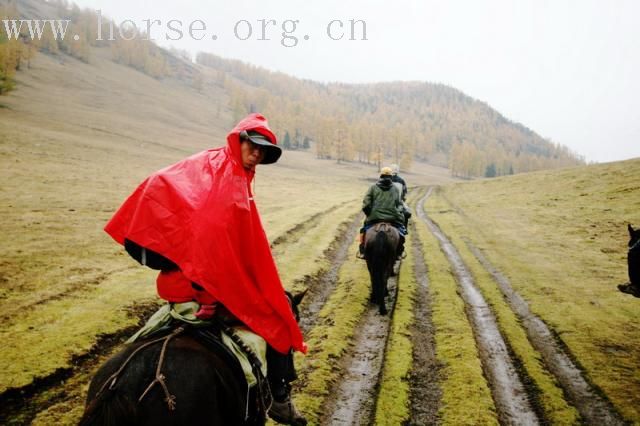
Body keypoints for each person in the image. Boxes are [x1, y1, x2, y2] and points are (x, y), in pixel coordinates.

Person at [104, 113, 307, 426]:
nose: (257, 153)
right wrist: (204, 286)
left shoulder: (214, 166)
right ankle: (279, 399)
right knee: (279, 317)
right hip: (203, 287)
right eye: (253, 145)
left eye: (263, 151)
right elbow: (210, 239)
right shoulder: (225, 176)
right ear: (237, 139)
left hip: (180, 284)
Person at [358, 167, 407, 258]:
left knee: (363, 230)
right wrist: (398, 213)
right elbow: (399, 205)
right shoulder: (395, 189)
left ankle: (362, 251)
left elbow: (366, 204)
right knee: (402, 230)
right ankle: (400, 252)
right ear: (391, 177)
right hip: (392, 217)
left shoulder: (373, 187)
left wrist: (369, 214)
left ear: (380, 175)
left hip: (374, 217)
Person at [389, 163, 411, 229]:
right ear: (397, 171)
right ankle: (404, 229)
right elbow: (404, 194)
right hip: (398, 204)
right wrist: (402, 200)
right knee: (407, 213)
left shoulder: (385, 179)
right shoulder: (401, 181)